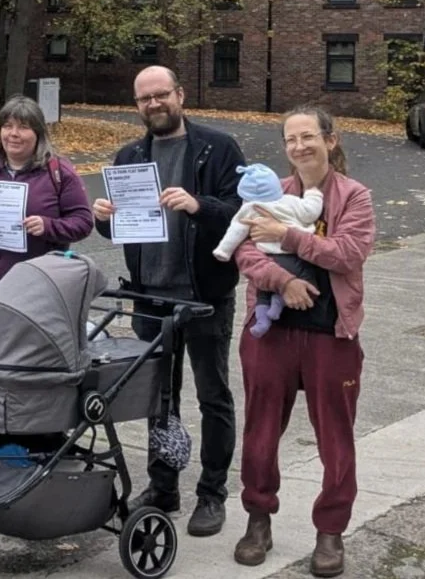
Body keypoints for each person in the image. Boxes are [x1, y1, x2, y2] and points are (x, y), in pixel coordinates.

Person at [90, 65, 246, 536]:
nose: (154, 104)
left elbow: (243, 214)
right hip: (149, 299)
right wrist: (103, 218)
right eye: (145, 98)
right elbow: (121, 229)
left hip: (203, 298)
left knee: (212, 395)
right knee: (159, 399)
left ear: (180, 95)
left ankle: (212, 493)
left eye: (161, 95)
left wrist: (198, 205)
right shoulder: (130, 155)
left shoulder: (218, 148)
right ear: (136, 105)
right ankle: (164, 487)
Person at [231, 107, 374, 577]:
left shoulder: (354, 197)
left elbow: (349, 253)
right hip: (270, 332)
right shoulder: (271, 190)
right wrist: (284, 281)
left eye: (308, 136)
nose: (299, 147)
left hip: (331, 334)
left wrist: (287, 236)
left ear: (330, 140)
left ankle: (330, 531)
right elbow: (246, 251)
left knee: (336, 436)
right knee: (260, 430)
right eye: (291, 139)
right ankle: (257, 519)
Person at [0, 95, 94, 300]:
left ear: (38, 133)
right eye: (7, 126)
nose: (13, 134)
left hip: (33, 283)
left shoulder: (59, 171)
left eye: (23, 127)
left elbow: (83, 222)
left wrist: (48, 226)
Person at [211, 163, 323, 338]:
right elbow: (311, 211)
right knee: (310, 284)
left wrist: (223, 251)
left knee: (262, 292)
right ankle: (278, 303)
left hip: (268, 257)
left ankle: (262, 320)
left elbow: (235, 232)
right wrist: (313, 193)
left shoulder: (249, 209)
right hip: (293, 257)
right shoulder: (291, 201)